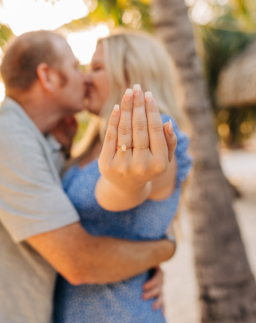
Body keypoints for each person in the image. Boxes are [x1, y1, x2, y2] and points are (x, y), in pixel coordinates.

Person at [0, 30, 176, 323]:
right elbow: (80, 262)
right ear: (47, 77)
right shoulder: (6, 140)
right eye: (76, 67)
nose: (84, 78)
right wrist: (163, 249)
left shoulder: (38, 140)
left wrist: (65, 148)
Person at [53, 31, 192, 323]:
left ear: (130, 74)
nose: (85, 78)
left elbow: (133, 184)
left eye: (97, 68)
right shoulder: (91, 141)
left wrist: (125, 183)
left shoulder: (158, 131)